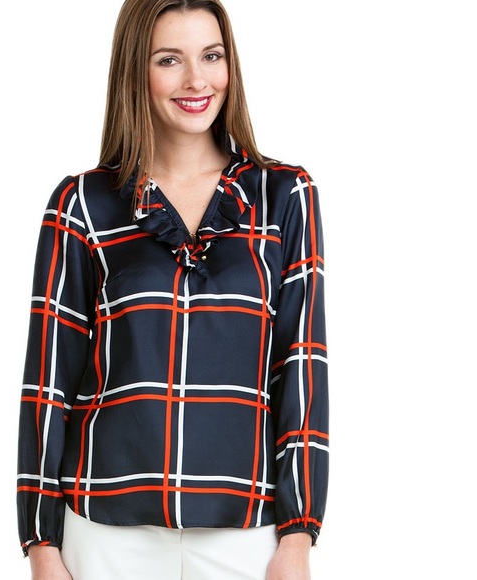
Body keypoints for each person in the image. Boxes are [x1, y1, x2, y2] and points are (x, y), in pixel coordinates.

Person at [17, 0, 329, 578]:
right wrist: (41, 544)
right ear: (136, 70)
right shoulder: (81, 203)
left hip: (246, 531)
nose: (196, 80)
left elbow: (301, 367)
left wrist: (298, 535)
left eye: (211, 56)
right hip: (106, 531)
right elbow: (48, 383)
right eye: (169, 60)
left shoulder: (285, 195)